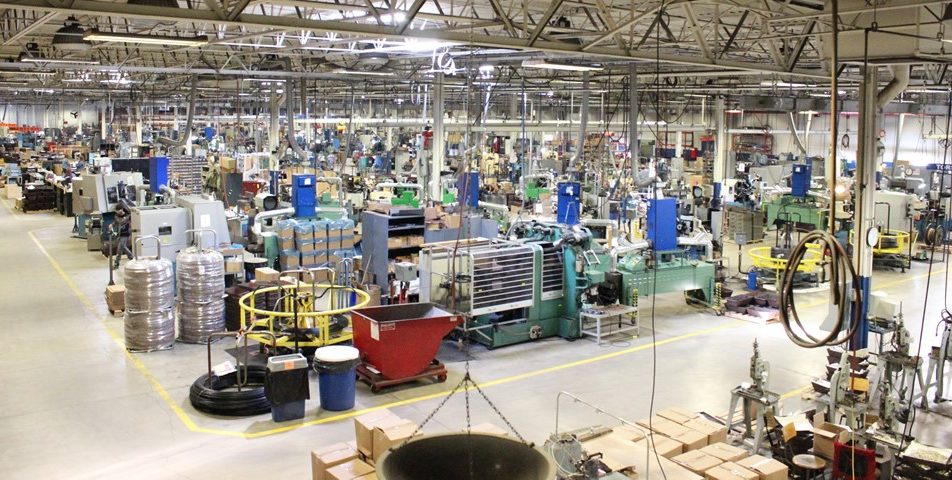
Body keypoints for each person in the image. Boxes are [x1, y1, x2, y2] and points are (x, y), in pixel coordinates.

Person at [111, 204, 133, 269]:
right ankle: (132, 258)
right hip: (119, 234)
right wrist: (111, 225)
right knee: (122, 248)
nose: (117, 212)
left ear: (122, 209)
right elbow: (115, 223)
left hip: (126, 233)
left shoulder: (128, 216)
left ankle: (117, 263)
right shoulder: (116, 216)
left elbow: (131, 223)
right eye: (116, 211)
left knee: (120, 248)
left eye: (118, 210)